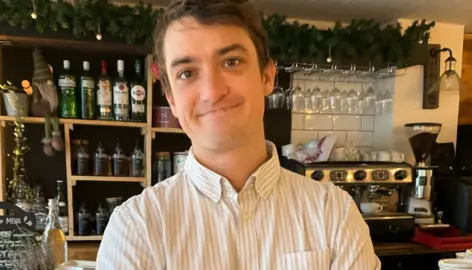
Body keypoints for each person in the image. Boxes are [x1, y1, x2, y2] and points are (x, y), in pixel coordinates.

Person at [96, 0, 381, 269]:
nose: (212, 91)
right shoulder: (137, 227)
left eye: (231, 62)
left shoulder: (333, 213)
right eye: (187, 73)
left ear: (267, 77)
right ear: (171, 99)